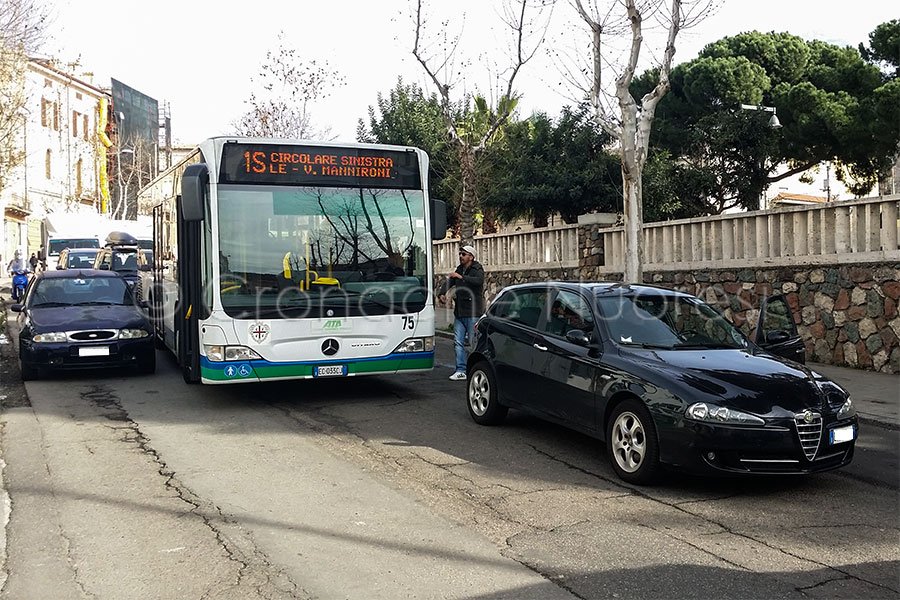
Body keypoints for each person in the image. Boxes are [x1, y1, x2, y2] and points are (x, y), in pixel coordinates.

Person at [438, 244, 485, 381]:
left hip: (473, 313)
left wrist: (461, 277)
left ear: (471, 257)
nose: (461, 256)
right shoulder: (459, 269)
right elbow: (450, 281)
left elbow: (478, 281)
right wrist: (442, 293)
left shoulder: (477, 269)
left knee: (473, 343)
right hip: (460, 312)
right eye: (460, 254)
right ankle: (461, 370)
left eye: (463, 254)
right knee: (458, 342)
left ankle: (475, 369)